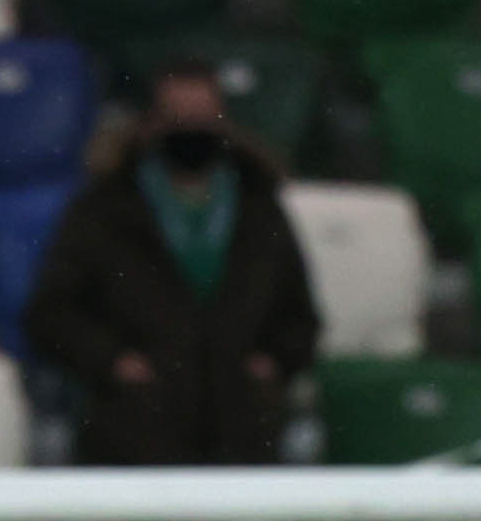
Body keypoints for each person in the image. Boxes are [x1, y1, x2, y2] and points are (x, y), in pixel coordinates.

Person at [22, 59, 322, 469]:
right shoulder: (101, 211)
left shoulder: (260, 209)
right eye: (177, 117)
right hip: (136, 432)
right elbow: (52, 314)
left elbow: (298, 314)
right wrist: (113, 363)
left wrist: (271, 364)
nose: (191, 129)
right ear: (149, 123)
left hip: (242, 431)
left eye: (202, 116)